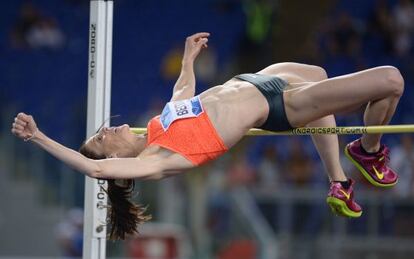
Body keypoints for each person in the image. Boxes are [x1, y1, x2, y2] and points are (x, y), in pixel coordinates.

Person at [12, 32, 404, 239]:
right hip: (280, 105)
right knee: (391, 80)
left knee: (319, 72)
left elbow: (182, 95)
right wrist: (39, 137)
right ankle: (366, 152)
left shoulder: (155, 127)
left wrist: (187, 60)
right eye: (101, 140)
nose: (107, 129)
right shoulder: (157, 160)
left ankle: (339, 180)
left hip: (257, 79)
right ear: (114, 163)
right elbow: (90, 169)